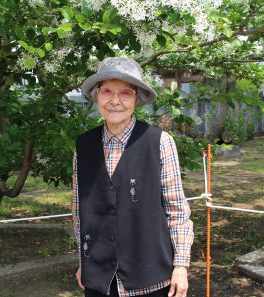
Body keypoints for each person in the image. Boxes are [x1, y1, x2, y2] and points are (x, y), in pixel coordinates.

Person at [72, 57, 194, 297]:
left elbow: (177, 210)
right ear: (97, 96)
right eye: (107, 91)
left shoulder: (159, 142)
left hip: (151, 279)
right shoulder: (83, 145)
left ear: (137, 99)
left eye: (125, 93)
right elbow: (79, 211)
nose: (115, 101)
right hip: (99, 280)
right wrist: (83, 260)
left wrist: (181, 266)